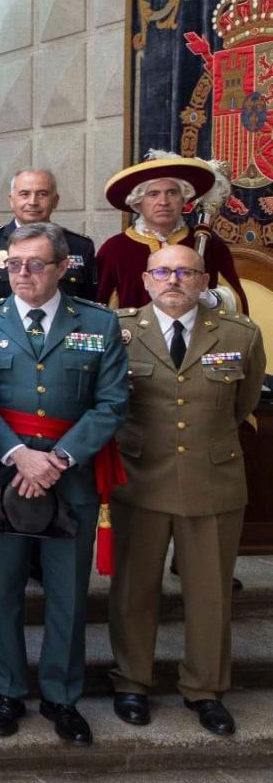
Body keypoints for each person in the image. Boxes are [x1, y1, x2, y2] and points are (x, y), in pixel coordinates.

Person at [0, 222, 127, 746]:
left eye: (36, 264)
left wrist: (55, 459)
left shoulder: (99, 325)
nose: (23, 274)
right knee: (3, 590)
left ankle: (61, 696)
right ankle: (7, 691)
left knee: (67, 595)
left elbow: (112, 405)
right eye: (14, 264)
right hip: (2, 477)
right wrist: (19, 456)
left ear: (62, 268)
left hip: (71, 478)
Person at [109, 244, 264, 736]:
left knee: (210, 593)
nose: (173, 280)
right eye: (163, 272)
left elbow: (244, 402)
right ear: (147, 279)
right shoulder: (120, 331)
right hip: (139, 479)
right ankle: (132, 681)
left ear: (203, 281)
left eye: (185, 271)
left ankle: (205, 689)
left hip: (212, 480)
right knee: (134, 590)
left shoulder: (241, 334)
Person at [96, 153, 247, 310]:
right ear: (138, 202)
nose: (163, 202)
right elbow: (99, 312)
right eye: (153, 194)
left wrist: (213, 299)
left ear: (184, 200)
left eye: (172, 193)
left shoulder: (210, 245)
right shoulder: (114, 249)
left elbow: (238, 305)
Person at [0, 168, 96, 315]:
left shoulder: (80, 246)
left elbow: (89, 305)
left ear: (55, 201)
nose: (33, 202)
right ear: (11, 200)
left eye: (42, 194)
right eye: (24, 194)